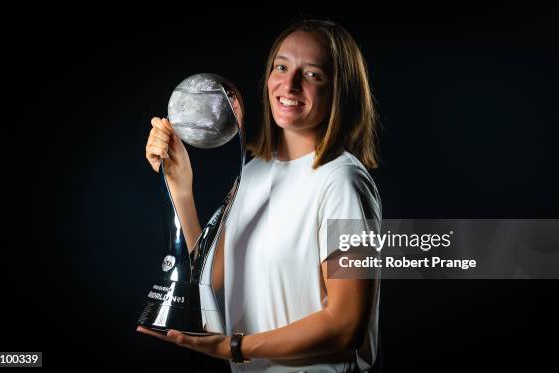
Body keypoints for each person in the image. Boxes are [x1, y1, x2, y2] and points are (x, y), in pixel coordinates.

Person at [138, 19, 382, 372]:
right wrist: (181, 184)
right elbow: (207, 278)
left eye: (312, 74)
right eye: (281, 67)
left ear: (340, 89)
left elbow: (346, 325)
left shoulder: (342, 182)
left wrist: (233, 347)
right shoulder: (252, 174)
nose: (290, 84)